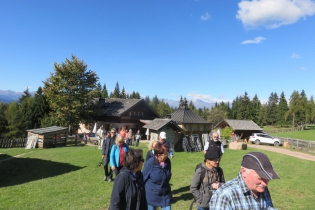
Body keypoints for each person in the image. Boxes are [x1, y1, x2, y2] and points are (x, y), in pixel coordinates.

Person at [209, 152, 280, 210]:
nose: (265, 184)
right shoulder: (224, 196)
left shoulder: (262, 188)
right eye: (260, 178)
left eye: (267, 178)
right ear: (244, 172)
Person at [143, 141, 172, 210]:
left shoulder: (168, 162)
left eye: (167, 154)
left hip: (165, 195)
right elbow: (143, 178)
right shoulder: (150, 163)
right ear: (158, 154)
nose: (167, 156)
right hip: (152, 196)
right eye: (165, 154)